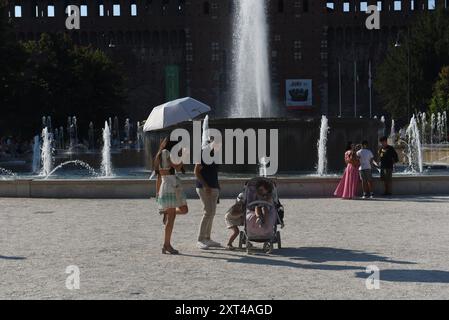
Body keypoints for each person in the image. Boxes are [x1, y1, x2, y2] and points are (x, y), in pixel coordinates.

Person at [154, 137, 188, 255]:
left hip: (169, 184)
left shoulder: (161, 154)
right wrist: (183, 155)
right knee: (172, 218)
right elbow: (177, 167)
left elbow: (158, 177)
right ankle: (166, 244)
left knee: (184, 210)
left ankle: (167, 213)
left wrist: (157, 193)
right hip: (170, 185)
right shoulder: (165, 153)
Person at [195, 140, 221, 250]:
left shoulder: (215, 155)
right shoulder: (202, 154)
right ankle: (200, 239)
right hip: (204, 188)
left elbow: (213, 172)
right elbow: (196, 172)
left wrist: (217, 186)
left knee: (212, 213)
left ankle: (207, 238)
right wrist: (205, 186)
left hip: (214, 187)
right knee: (208, 212)